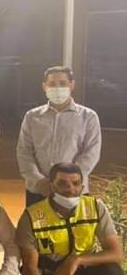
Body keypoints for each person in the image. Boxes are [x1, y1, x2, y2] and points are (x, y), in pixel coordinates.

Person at [16, 66, 101, 207]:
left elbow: (91, 153)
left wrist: (69, 181)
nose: (57, 88)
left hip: (74, 190)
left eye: (62, 83)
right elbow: (24, 152)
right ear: (44, 87)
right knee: (36, 221)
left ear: (72, 85)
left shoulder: (88, 117)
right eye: (52, 84)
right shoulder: (32, 117)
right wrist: (38, 180)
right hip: (39, 189)